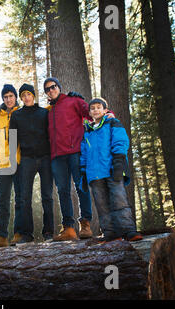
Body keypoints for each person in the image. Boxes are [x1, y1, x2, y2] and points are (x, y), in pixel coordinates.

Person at [44, 77, 114, 241]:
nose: (51, 90)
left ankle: (86, 224)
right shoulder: (49, 111)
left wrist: (108, 115)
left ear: (59, 87)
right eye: (47, 89)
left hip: (75, 151)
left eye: (53, 87)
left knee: (81, 186)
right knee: (62, 191)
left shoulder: (73, 100)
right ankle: (68, 228)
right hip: (57, 156)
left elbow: (92, 114)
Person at [80, 98, 142, 242]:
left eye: (99, 107)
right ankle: (111, 233)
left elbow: (120, 141)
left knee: (119, 200)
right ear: (89, 112)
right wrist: (83, 172)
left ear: (105, 110)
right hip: (94, 175)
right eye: (92, 108)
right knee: (101, 205)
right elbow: (83, 153)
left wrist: (119, 162)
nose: (96, 110)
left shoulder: (112, 123)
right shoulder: (87, 131)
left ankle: (128, 230)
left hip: (111, 169)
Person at [9, 83, 54, 243]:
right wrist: (13, 162)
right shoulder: (16, 116)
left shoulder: (44, 113)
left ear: (33, 96)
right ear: (20, 98)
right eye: (23, 95)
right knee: (24, 198)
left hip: (45, 158)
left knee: (47, 196)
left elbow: (51, 133)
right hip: (27, 160)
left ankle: (48, 232)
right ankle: (26, 234)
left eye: (29, 94)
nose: (26, 97)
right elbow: (12, 140)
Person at [0, 84, 23, 248]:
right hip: (2, 165)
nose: (8, 99)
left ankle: (19, 234)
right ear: (3, 99)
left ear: (16, 97)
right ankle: (0, 237)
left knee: (21, 200)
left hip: (19, 162)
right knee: (3, 202)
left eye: (11, 96)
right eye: (6, 97)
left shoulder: (22, 113)